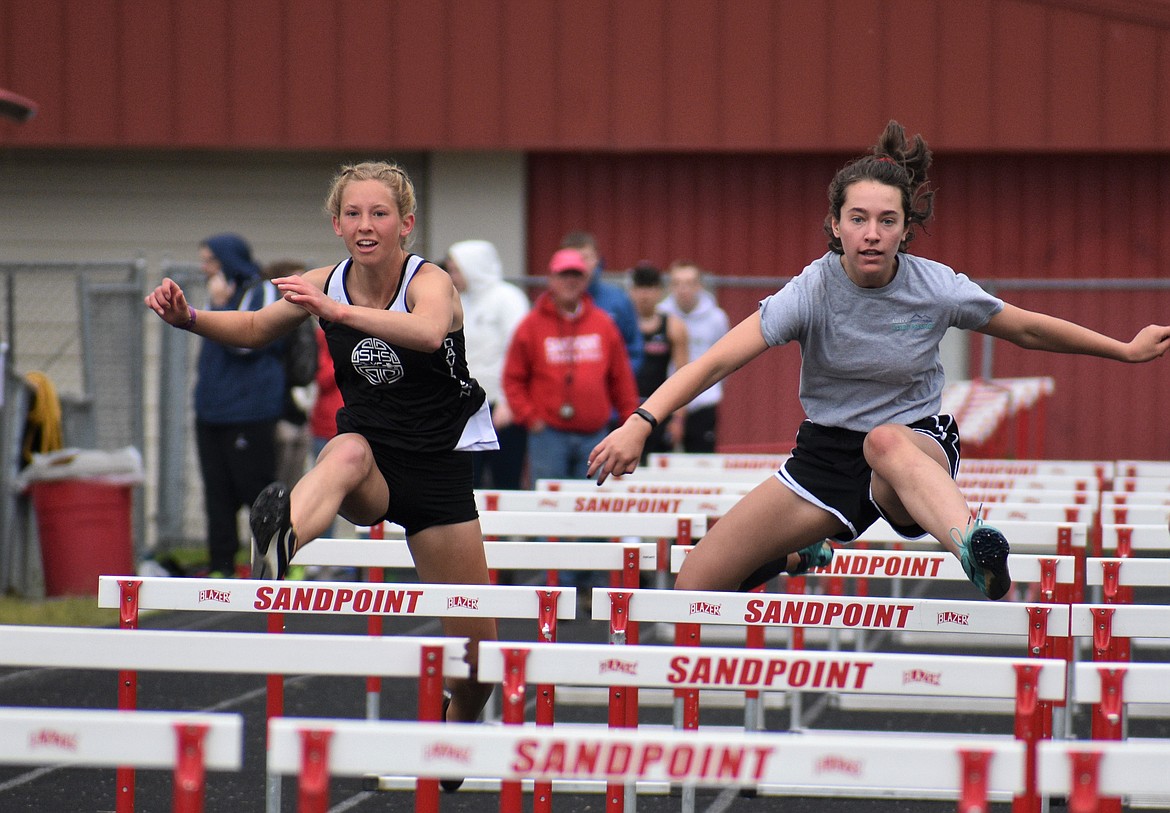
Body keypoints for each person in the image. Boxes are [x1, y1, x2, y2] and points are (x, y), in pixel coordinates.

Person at [587, 120, 1170, 602]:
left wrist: (1122, 349)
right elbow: (714, 362)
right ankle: (802, 551)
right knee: (697, 582)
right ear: (835, 226)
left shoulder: (934, 287)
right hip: (825, 454)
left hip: (913, 447)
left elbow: (1026, 328)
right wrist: (643, 421)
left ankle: (974, 545)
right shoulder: (811, 290)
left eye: (887, 221)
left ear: (905, 230)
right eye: (858, 220)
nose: (872, 234)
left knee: (884, 442)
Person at [146, 162, 499, 759]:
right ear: (337, 224)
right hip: (374, 465)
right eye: (354, 214)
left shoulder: (429, 281)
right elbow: (258, 325)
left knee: (478, 664)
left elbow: (427, 332)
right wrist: (192, 320)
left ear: (405, 223)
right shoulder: (323, 281)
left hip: (439, 475)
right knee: (345, 449)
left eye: (379, 213)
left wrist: (336, 314)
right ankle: (282, 542)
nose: (367, 225)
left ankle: (459, 716)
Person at [503, 247, 639, 593]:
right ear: (551, 279)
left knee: (594, 509)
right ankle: (555, 587)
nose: (569, 282)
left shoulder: (603, 324)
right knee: (550, 512)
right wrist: (530, 418)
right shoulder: (531, 326)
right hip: (548, 433)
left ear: (586, 280)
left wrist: (629, 424)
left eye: (576, 276)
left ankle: (588, 586)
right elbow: (513, 379)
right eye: (563, 275)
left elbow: (621, 378)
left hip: (595, 433)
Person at [192, 233, 284, 578]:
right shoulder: (220, 292)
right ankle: (221, 566)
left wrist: (218, 308)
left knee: (256, 491)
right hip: (212, 412)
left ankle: (273, 564)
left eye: (210, 261)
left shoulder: (260, 291)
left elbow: (246, 343)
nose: (205, 269)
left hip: (249, 412)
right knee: (217, 493)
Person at [445, 239, 531, 490]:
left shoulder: (508, 298)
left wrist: (508, 401)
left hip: (502, 406)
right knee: (468, 480)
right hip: (468, 405)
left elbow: (517, 352)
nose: (452, 276)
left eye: (456, 269)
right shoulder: (460, 301)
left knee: (506, 481)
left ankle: (504, 531)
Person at [658, 260, 730, 452]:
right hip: (666, 401)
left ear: (699, 286)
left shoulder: (716, 318)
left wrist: (711, 388)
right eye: (678, 283)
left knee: (701, 462)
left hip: (702, 402)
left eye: (689, 283)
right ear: (671, 286)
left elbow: (725, 359)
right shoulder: (662, 316)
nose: (683, 289)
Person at [261, 259, 318, 490]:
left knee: (296, 483)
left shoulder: (308, 319)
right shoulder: (275, 317)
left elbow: (308, 363)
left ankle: (290, 522)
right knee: (278, 484)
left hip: (301, 411)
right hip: (281, 411)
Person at [560, 231, 643, 376]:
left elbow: (634, 350)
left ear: (597, 259)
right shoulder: (548, 305)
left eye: (585, 258)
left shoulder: (618, 300)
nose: (581, 265)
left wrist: (615, 381)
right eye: (574, 259)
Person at [629, 262, 688, 461]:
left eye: (650, 288)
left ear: (659, 292)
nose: (644, 295)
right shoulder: (618, 325)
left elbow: (683, 375)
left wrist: (678, 419)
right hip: (625, 410)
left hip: (658, 411)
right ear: (631, 291)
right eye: (640, 288)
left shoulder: (673, 327)